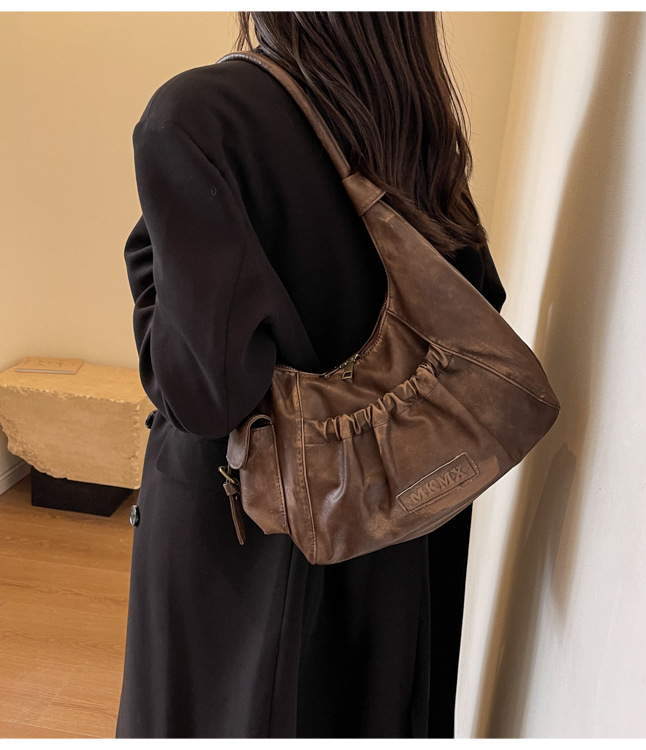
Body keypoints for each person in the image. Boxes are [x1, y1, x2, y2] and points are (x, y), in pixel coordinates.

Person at [115, 11, 506, 739]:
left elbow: (203, 393)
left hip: (249, 542)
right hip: (397, 525)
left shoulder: (198, 115)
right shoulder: (411, 116)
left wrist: (148, 265)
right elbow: (480, 299)